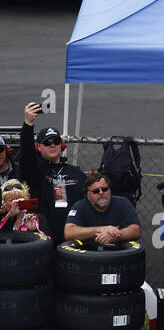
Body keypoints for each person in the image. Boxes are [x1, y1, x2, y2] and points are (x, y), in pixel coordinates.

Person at [19, 104, 85, 239]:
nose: (53, 145)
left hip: (72, 233)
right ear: (38, 147)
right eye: (47, 142)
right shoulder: (35, 170)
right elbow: (26, 154)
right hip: (43, 235)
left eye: (56, 141)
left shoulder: (76, 172)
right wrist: (28, 124)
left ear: (62, 145)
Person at [62, 171, 142, 244]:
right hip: (89, 255)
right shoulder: (79, 206)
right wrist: (100, 229)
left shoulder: (123, 203)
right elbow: (69, 232)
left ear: (109, 190)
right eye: (96, 191)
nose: (101, 193)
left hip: (118, 253)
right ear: (88, 195)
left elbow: (135, 230)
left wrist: (115, 236)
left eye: (104, 189)